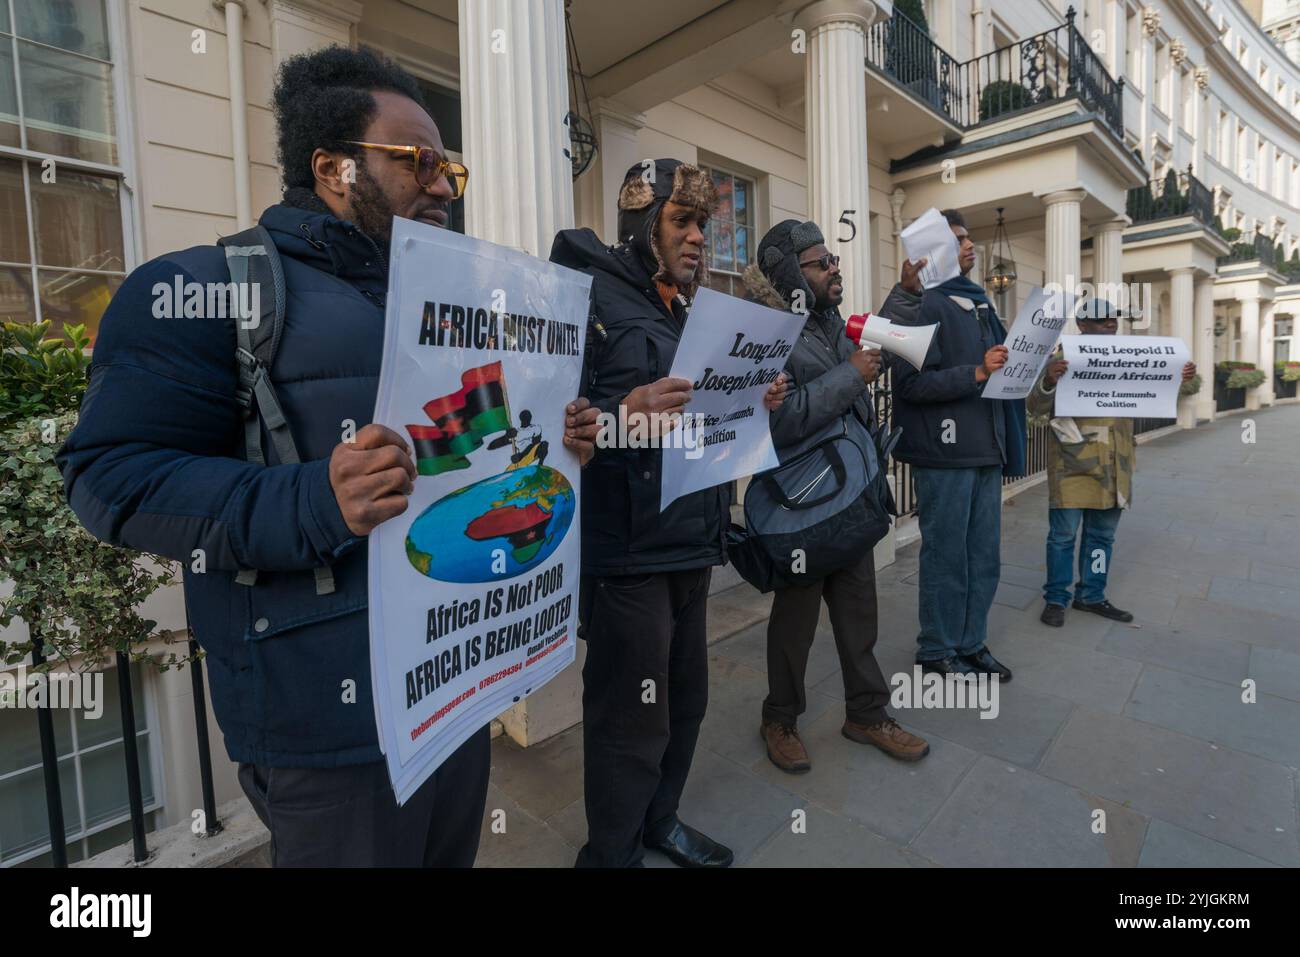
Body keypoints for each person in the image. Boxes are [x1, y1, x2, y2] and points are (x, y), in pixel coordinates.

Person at [58, 46, 601, 867]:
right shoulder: (216, 289)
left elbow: (470, 445)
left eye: (449, 164)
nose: (445, 184)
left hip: (452, 690)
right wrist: (315, 501)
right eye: (417, 160)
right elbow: (107, 476)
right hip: (328, 735)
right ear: (334, 167)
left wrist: (552, 452)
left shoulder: (451, 303)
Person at [551, 159, 786, 868]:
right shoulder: (587, 302)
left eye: (703, 225)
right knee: (630, 718)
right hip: (627, 553)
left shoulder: (688, 309)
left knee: (686, 701)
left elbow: (701, 411)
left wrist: (755, 399)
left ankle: (662, 821)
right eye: (681, 222)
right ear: (641, 222)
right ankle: (612, 852)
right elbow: (557, 427)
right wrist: (623, 415)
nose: (697, 239)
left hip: (692, 541)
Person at [743, 220, 930, 774]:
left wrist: (906, 294)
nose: (834, 268)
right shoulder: (765, 335)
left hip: (850, 499)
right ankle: (779, 719)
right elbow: (777, 426)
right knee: (793, 625)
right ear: (789, 274)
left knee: (858, 613)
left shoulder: (836, 324)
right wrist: (850, 376)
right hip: (802, 508)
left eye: (832, 260)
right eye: (821, 263)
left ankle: (867, 716)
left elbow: (889, 345)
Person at [877, 208, 1025, 681]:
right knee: (946, 555)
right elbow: (911, 386)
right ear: (930, 252)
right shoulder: (925, 305)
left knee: (982, 555)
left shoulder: (980, 302)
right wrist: (977, 372)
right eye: (957, 239)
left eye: (968, 237)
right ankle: (936, 649)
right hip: (944, 455)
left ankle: (970, 643)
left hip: (986, 447)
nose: (968, 245)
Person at [1029, 298, 1196, 627]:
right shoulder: (1062, 358)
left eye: (1112, 319)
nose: (1109, 323)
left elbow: (1153, 396)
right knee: (1062, 537)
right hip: (1072, 465)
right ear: (1082, 326)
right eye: (1101, 320)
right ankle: (1056, 599)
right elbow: (1035, 407)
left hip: (1115, 465)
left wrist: (1179, 377)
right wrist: (1048, 381)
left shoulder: (1129, 356)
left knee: (1102, 538)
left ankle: (1091, 595)